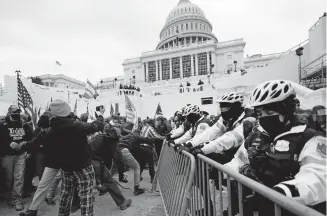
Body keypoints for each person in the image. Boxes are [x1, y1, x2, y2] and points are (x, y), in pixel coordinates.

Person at [225, 80, 326, 216]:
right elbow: (238, 160)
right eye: (260, 115)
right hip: (266, 207)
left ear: (285, 110)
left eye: (269, 112)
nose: (264, 118)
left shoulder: (309, 138)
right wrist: (224, 172)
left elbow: (318, 176)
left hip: (296, 209)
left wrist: (282, 192)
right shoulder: (256, 135)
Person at [22, 99, 105, 216]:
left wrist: (24, 145)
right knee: (86, 195)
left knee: (65, 194)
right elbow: (95, 126)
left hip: (65, 167)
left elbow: (35, 141)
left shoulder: (50, 130)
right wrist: (100, 115)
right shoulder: (76, 125)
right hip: (82, 166)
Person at [89, 125, 132, 210]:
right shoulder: (112, 142)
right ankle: (122, 203)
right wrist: (122, 170)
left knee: (83, 182)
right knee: (110, 181)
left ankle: (75, 205)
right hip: (97, 162)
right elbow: (117, 157)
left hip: (86, 161)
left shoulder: (99, 136)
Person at [0, 105, 33, 211]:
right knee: (8, 177)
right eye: (15, 112)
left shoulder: (24, 124)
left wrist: (28, 149)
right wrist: (8, 143)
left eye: (18, 111)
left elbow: (30, 139)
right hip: (7, 155)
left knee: (19, 177)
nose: (17, 113)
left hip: (20, 155)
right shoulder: (3, 125)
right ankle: (8, 196)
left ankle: (17, 200)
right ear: (9, 113)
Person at [117, 129, 159, 195]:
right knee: (137, 167)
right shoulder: (136, 136)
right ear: (138, 133)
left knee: (113, 170)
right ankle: (137, 188)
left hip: (116, 150)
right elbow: (147, 139)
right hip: (124, 150)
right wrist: (155, 139)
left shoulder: (126, 136)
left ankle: (105, 184)